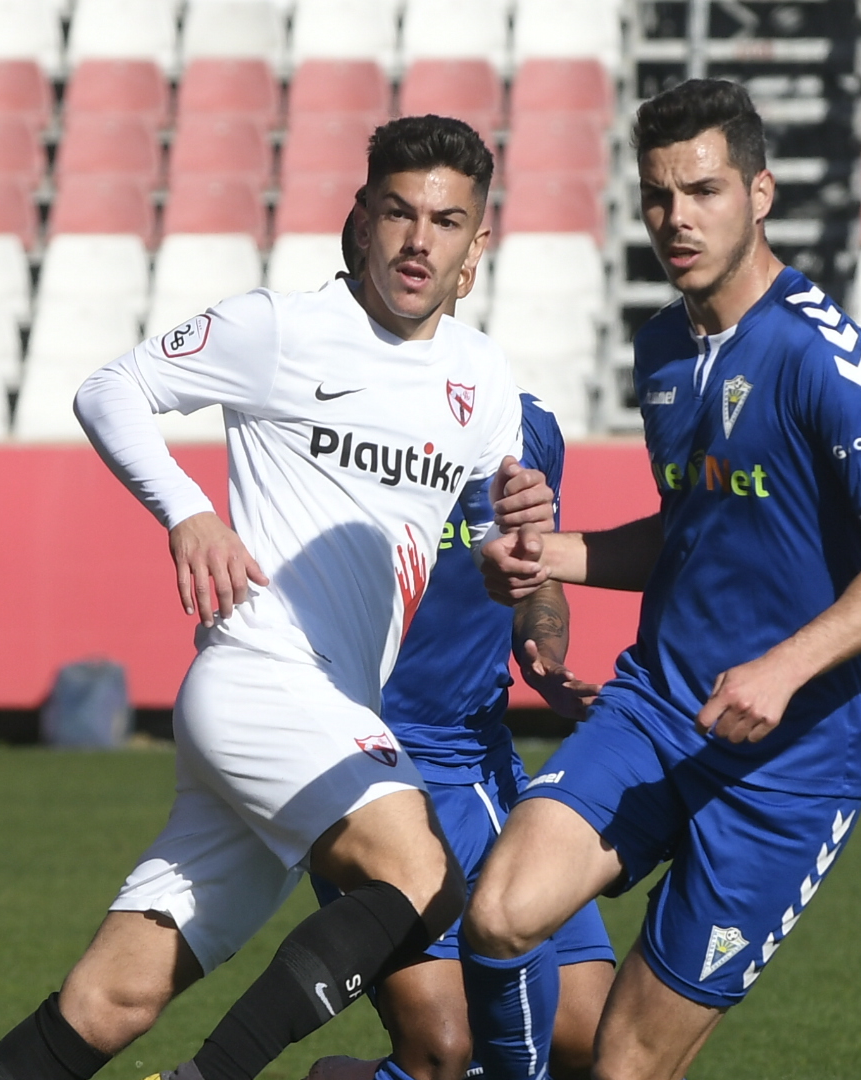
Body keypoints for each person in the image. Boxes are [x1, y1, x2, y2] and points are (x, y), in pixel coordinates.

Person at [0, 116, 556, 1080]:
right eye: (399, 213)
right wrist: (189, 512)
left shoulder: (482, 380)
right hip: (261, 676)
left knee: (113, 998)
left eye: (447, 222)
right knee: (422, 874)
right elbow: (110, 389)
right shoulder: (280, 328)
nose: (419, 241)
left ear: (475, 247)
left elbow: (490, 546)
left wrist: (516, 539)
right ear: (360, 219)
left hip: (324, 708)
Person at [465, 79, 861, 1080]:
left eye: (703, 191)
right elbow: (691, 531)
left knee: (626, 1068)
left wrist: (783, 669)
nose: (677, 220)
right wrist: (550, 556)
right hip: (656, 708)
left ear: (762, 193)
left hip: (790, 766)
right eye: (659, 196)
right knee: (499, 913)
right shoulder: (661, 348)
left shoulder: (827, 357)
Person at [306, 209, 615, 1080]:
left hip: (485, 760)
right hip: (366, 769)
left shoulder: (518, 425)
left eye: (444, 235)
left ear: (467, 268)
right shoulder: (318, 426)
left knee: (593, 1044)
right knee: (446, 1051)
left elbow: (538, 565)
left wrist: (544, 652)